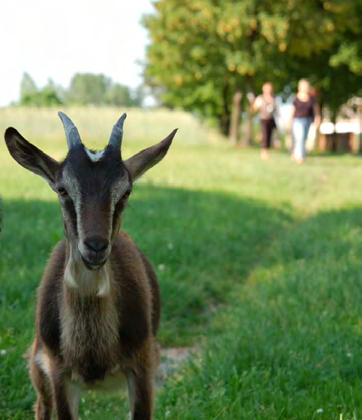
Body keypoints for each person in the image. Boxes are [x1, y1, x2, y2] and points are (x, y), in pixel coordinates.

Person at [287, 79, 321, 164]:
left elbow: (316, 110)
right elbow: (292, 110)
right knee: (300, 137)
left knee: (303, 138)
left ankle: (295, 153)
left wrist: (317, 118)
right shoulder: (295, 98)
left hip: (308, 120)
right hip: (297, 120)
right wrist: (289, 122)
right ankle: (300, 157)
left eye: (306, 86)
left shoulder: (312, 99)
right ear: (299, 87)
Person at [251, 82, 277, 160]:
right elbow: (254, 108)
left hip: (271, 119)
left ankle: (267, 150)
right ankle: (263, 152)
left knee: (269, 135)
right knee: (265, 135)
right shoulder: (260, 98)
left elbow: (276, 109)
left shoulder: (273, 98)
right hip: (263, 119)